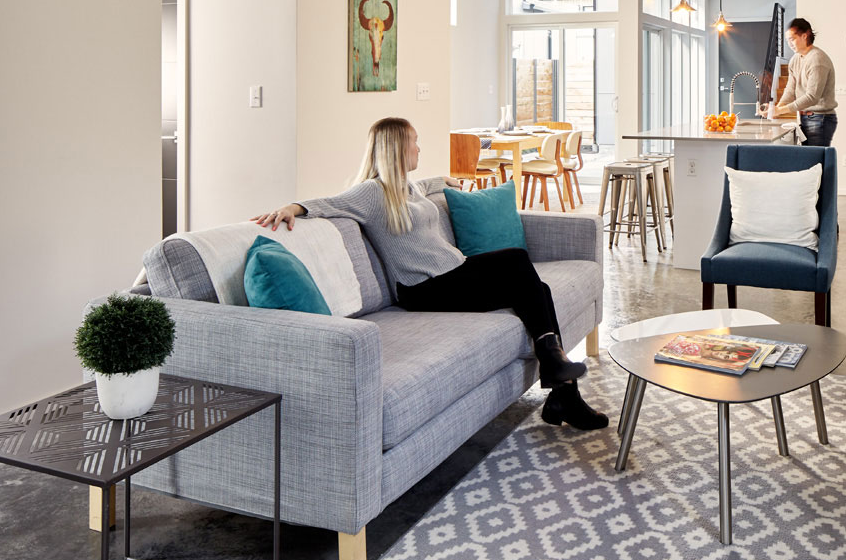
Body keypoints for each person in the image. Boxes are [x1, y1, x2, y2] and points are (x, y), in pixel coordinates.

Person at [252, 116, 608, 430]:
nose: (419, 148)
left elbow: (429, 185)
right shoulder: (371, 193)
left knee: (537, 289)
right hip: (423, 288)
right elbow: (327, 203)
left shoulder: (408, 186)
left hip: (453, 273)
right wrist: (290, 208)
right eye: (414, 142)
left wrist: (447, 182)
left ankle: (562, 391)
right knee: (517, 262)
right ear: (396, 148)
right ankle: (557, 375)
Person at [768, 17, 838, 146]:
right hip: (806, 117)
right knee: (811, 161)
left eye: (792, 39)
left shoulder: (817, 59)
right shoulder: (796, 59)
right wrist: (777, 109)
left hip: (820, 118)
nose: (789, 43)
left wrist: (781, 110)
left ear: (805, 36)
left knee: (816, 162)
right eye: (787, 40)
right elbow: (790, 89)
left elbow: (812, 97)